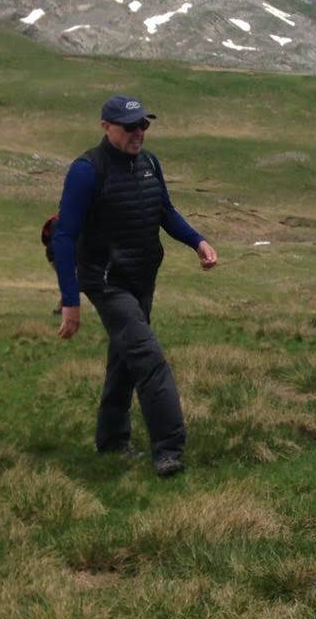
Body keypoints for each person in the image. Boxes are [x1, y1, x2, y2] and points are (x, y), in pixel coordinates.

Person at [51, 95, 217, 477]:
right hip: (106, 281)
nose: (139, 133)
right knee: (148, 357)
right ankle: (169, 449)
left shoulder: (150, 164)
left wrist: (198, 241)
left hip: (142, 276)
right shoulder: (86, 170)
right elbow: (64, 237)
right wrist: (70, 300)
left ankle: (112, 441)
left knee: (125, 358)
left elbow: (165, 212)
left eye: (144, 125)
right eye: (130, 126)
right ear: (106, 127)